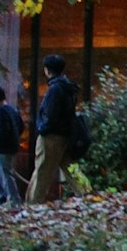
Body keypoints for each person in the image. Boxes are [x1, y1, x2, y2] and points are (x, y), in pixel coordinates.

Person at [32, 54, 87, 203]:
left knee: (42, 171)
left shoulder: (54, 89)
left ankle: (33, 204)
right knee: (70, 167)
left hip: (51, 136)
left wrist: (42, 129)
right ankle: (87, 195)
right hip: (65, 135)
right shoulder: (68, 88)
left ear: (47, 70)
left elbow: (50, 114)